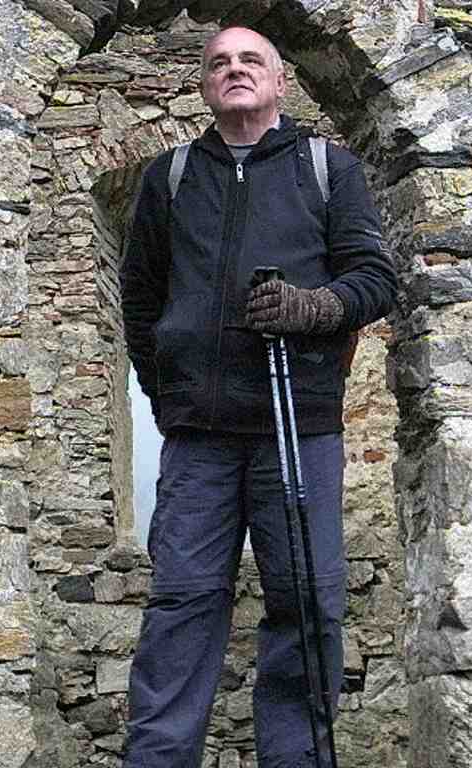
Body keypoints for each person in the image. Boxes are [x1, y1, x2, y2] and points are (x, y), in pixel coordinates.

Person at [119, 25, 396, 768]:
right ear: (205, 85)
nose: (234, 70)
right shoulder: (170, 177)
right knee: (180, 605)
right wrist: (170, 394)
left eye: (250, 60)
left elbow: (375, 279)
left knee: (307, 604)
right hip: (199, 440)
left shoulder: (327, 168)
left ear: (279, 81)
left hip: (298, 427)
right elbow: (140, 301)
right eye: (219, 62)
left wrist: (314, 308)